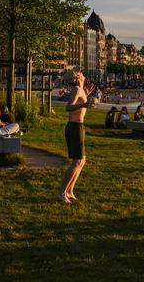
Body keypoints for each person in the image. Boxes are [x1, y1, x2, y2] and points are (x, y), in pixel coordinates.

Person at [57, 69, 96, 203]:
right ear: (78, 77)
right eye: (82, 74)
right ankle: (62, 192)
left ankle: (69, 190)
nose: (84, 75)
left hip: (78, 126)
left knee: (82, 161)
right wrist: (85, 103)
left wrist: (86, 94)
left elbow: (79, 99)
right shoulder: (76, 90)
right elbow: (69, 107)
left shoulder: (80, 89)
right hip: (74, 127)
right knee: (77, 161)